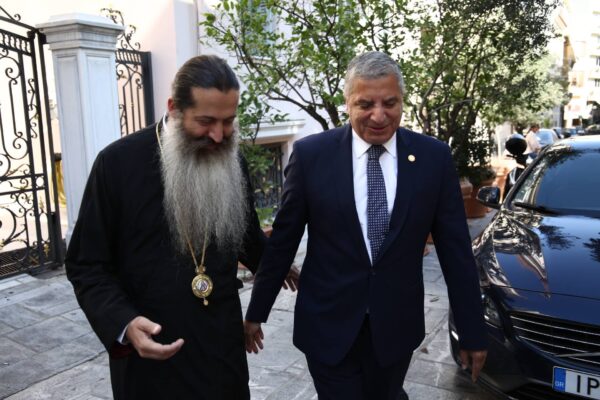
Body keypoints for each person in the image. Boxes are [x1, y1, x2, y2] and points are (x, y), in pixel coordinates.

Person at [244, 51, 487, 400]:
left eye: (390, 103)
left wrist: (472, 330)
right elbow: (283, 241)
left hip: (396, 327)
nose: (379, 115)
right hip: (327, 324)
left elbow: (456, 252)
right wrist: (256, 312)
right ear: (348, 104)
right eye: (365, 104)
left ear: (402, 101)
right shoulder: (312, 156)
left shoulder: (432, 159)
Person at [65, 55, 296, 399]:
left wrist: (277, 264)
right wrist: (124, 322)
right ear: (174, 108)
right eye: (206, 121)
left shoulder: (231, 159)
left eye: (228, 121)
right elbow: (86, 265)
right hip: (152, 351)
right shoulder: (117, 164)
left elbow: (245, 235)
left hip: (222, 349)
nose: (219, 135)